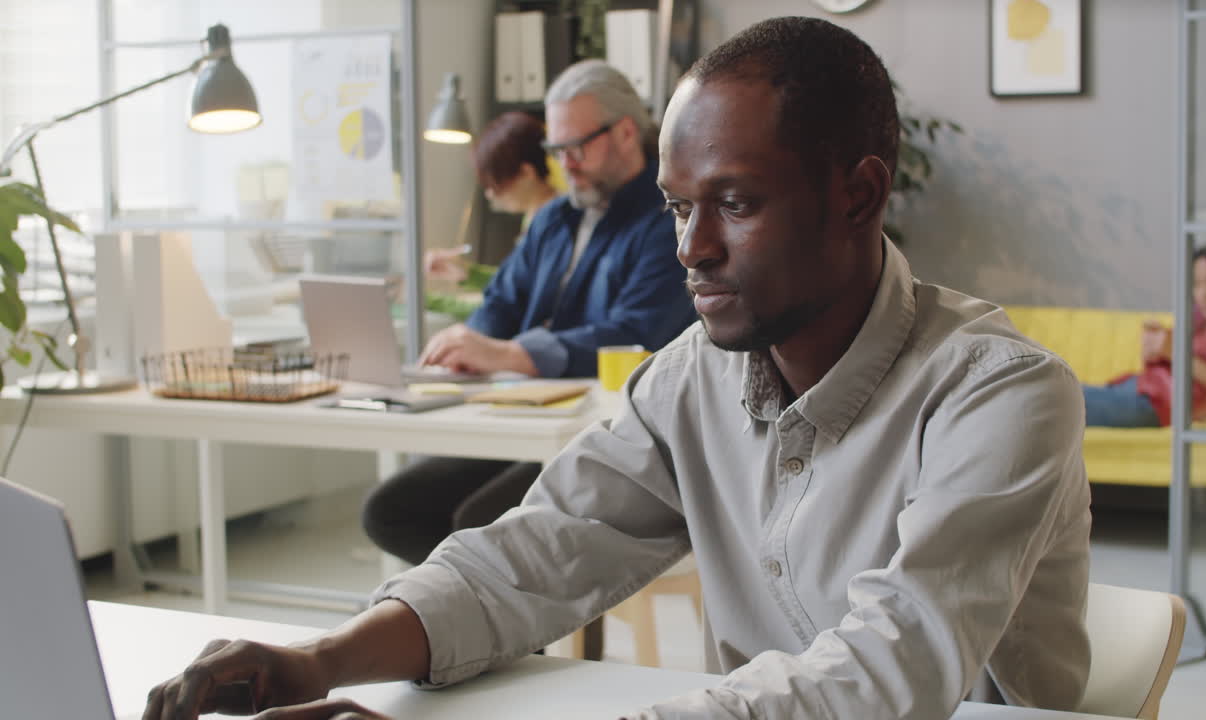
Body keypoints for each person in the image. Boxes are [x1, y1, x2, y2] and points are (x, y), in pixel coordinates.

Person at [142, 17, 1091, 720]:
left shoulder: (1000, 394)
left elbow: (894, 670)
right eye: (679, 207)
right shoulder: (694, 381)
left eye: (735, 203)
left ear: (859, 195)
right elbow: (534, 552)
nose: (691, 247)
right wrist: (322, 661)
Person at [362, 61, 695, 572]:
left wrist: (511, 353)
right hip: (532, 425)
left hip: (611, 440)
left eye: (575, 147)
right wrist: (464, 343)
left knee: (475, 525)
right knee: (391, 512)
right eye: (555, 151)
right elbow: (501, 302)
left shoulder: (665, 221)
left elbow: (635, 332)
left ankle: (494, 630)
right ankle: (492, 632)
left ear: (626, 132)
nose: (565, 164)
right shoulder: (555, 220)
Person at [1082, 237, 1206, 427]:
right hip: (1148, 387)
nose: (1202, 294)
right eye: (1197, 284)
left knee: (1061, 399)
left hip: (1161, 403)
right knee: (1063, 392)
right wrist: (1159, 347)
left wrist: (1175, 352)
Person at [424, 111, 566, 288]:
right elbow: (514, 285)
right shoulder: (535, 216)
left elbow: (522, 298)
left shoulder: (555, 224)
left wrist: (432, 301)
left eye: (496, 183)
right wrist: (465, 273)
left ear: (526, 173)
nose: (490, 194)